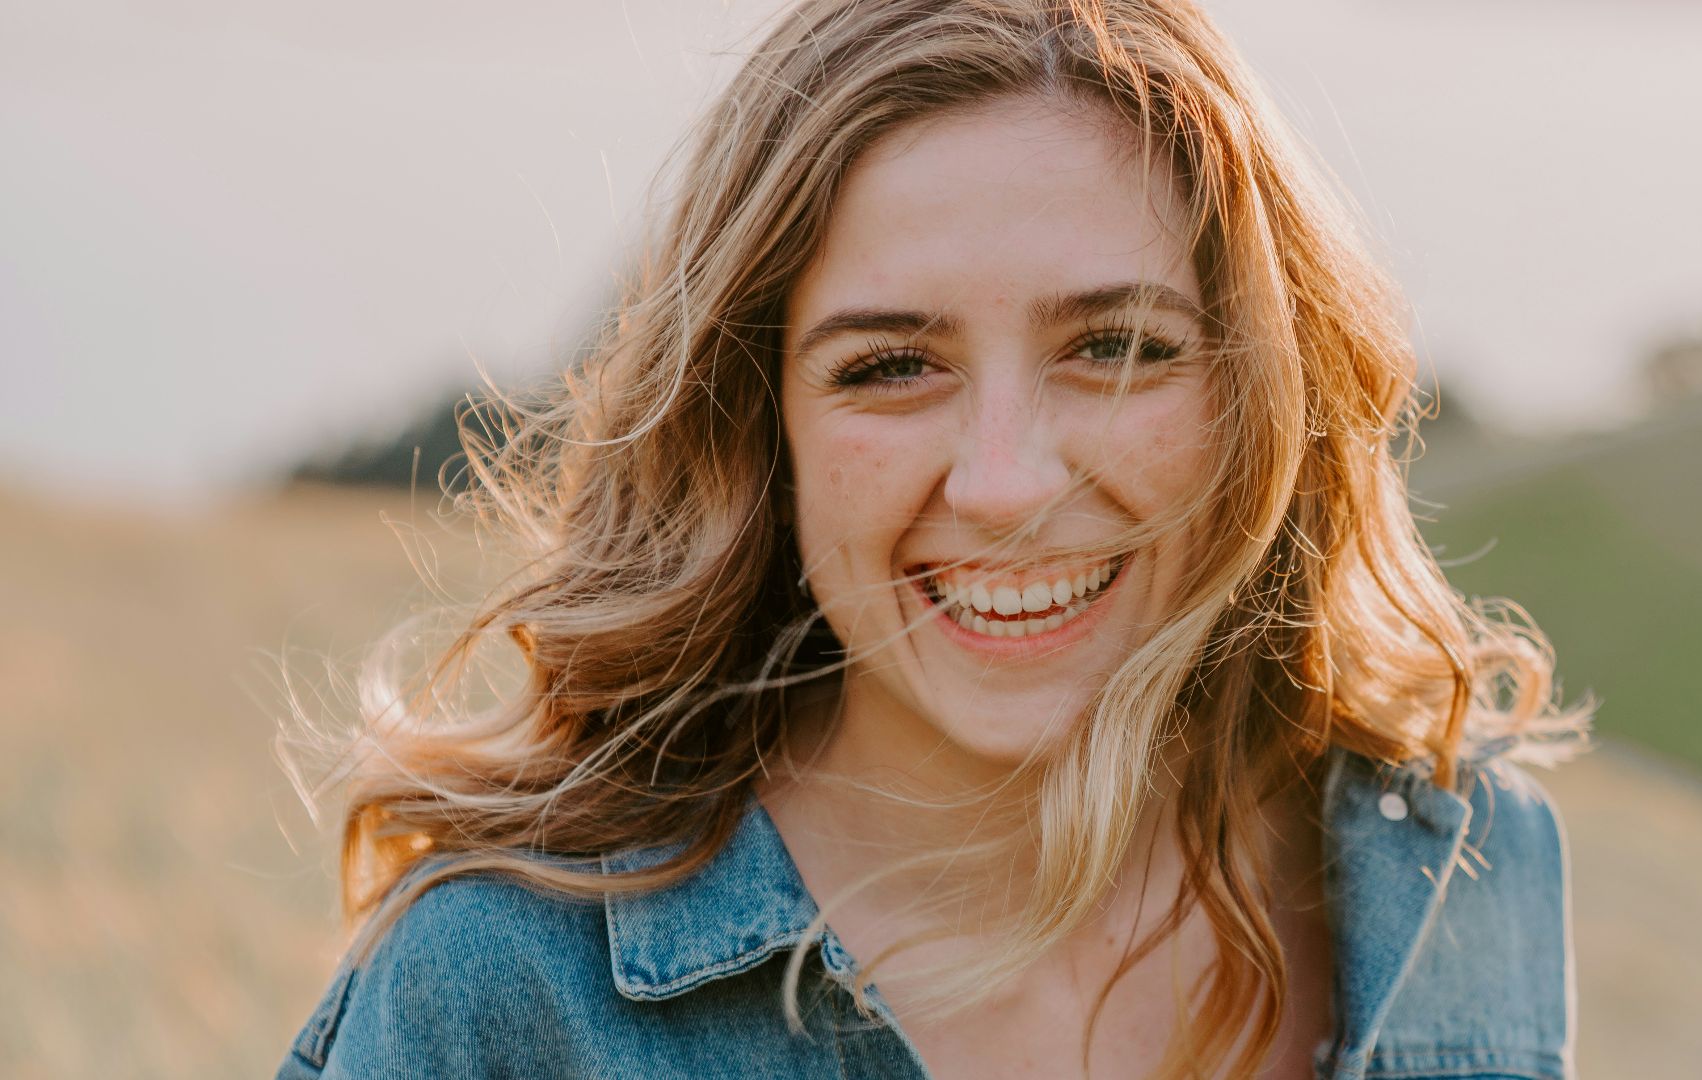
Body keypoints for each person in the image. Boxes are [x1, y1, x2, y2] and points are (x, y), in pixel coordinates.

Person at [276, 1, 1592, 1077]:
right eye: (892, 366)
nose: (1006, 485)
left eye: (1114, 347)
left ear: (1259, 393)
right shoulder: (506, 992)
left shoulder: (1457, 872)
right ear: (761, 427)